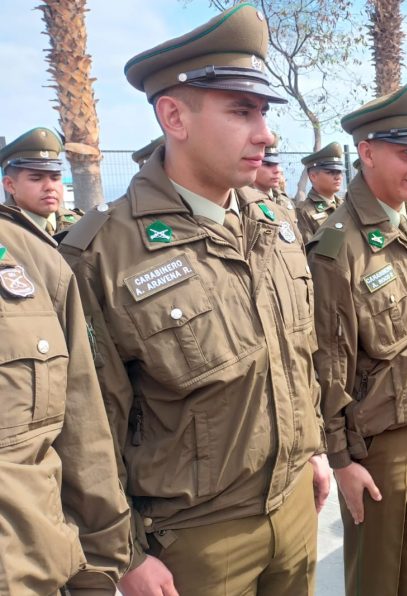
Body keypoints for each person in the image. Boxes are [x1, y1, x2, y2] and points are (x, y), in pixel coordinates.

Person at [59, 5, 330, 594]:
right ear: (174, 116)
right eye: (240, 111)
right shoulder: (103, 252)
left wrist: (309, 451)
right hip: (194, 543)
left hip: (292, 506)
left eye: (263, 111)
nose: (266, 133)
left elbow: (294, 358)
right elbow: (88, 425)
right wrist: (123, 553)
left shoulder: (272, 226)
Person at [307, 76, 407, 596]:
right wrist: (341, 460)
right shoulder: (338, 246)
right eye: (406, 152)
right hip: (378, 447)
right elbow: (327, 364)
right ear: (366, 152)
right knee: (376, 580)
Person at [0, 205, 132, 595]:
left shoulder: (33, 258)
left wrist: (101, 573)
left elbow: (83, 436)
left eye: (52, 175)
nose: (50, 187)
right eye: (35, 175)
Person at [0, 127, 80, 235]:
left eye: (55, 178)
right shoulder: (4, 232)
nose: (50, 187)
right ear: (10, 185)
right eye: (36, 179)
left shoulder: (79, 223)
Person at [295, 141, 344, 242]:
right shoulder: (304, 211)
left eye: (339, 172)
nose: (338, 177)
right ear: (313, 176)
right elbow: (308, 250)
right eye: (330, 172)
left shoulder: (346, 205)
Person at [254, 131, 294, 210]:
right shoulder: (241, 202)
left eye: (277, 164)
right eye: (268, 164)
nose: (277, 170)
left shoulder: (285, 201)